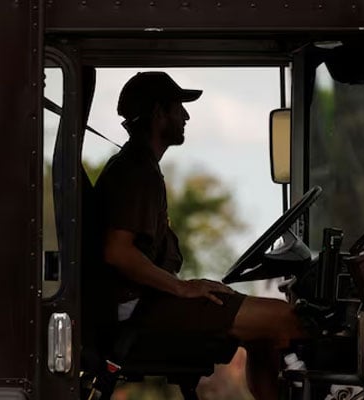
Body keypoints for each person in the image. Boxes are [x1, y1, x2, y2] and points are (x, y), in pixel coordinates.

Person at [94, 71, 307, 400]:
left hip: (142, 306)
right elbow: (117, 252)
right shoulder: (136, 171)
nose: (187, 116)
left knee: (261, 334)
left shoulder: (137, 166)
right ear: (158, 114)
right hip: (136, 314)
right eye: (179, 107)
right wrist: (182, 287)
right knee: (287, 319)